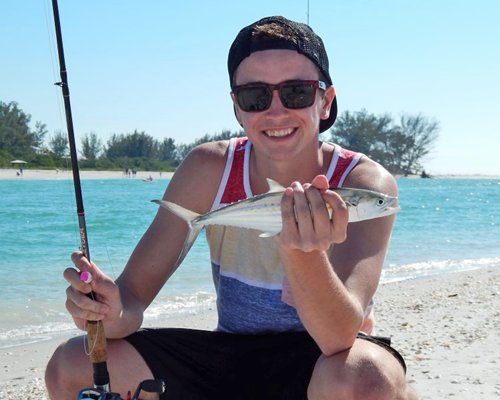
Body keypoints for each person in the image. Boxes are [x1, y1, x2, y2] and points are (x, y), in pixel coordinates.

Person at [45, 16, 416, 400]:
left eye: (297, 92)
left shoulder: (364, 186)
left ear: (325, 101)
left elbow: (339, 336)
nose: (276, 111)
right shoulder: (208, 168)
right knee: (71, 364)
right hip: (227, 358)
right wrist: (109, 313)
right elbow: (132, 302)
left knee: (368, 375)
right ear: (237, 108)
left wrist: (301, 252)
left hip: (323, 359)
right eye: (255, 96)